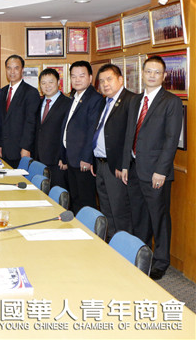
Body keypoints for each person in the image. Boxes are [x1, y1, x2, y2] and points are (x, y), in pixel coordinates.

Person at [121, 56, 182, 280]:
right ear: (142, 73)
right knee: (139, 217)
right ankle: (142, 256)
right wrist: (125, 164)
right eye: (148, 71)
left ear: (164, 76)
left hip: (156, 172)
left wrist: (161, 171)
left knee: (159, 218)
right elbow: (130, 134)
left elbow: (171, 139)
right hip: (134, 168)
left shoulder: (171, 102)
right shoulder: (135, 100)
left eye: (157, 72)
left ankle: (161, 262)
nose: (152, 75)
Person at [91, 64, 135, 239]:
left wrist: (123, 164)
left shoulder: (130, 101)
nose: (105, 84)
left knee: (120, 212)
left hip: (116, 167)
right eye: (101, 81)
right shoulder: (104, 101)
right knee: (106, 210)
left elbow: (130, 137)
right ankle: (110, 245)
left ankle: (124, 249)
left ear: (120, 79)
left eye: (109, 79)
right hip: (101, 164)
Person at [61, 60, 105, 214]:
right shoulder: (73, 96)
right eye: (73, 76)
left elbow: (92, 131)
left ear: (90, 78)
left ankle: (87, 228)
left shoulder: (95, 99)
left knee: (86, 202)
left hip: (83, 161)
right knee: (75, 200)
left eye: (81, 76)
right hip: (72, 158)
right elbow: (67, 127)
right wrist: (63, 156)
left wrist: (87, 158)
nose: (77, 79)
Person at [0, 55, 40, 168]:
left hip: (21, 150)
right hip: (5, 150)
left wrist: (26, 148)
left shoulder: (31, 92)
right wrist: (0, 144)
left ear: (22, 70)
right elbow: (2, 121)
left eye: (16, 68)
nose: (12, 72)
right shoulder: (2, 92)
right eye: (9, 68)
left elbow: (31, 123)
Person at [34, 68, 71, 189]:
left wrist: (64, 157)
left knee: (57, 194)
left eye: (51, 82)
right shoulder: (38, 103)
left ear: (58, 83)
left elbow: (69, 133)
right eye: (43, 83)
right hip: (39, 158)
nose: (47, 86)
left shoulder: (67, 104)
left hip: (57, 161)